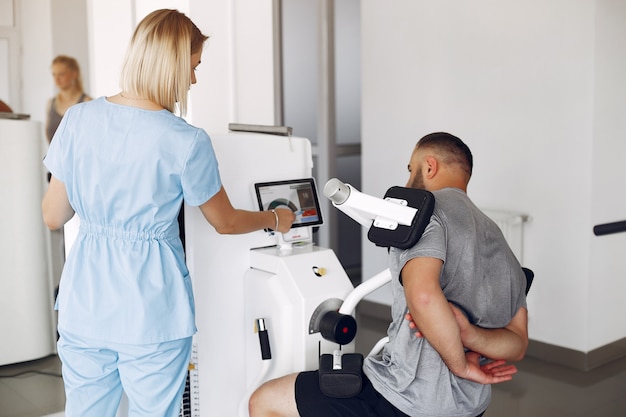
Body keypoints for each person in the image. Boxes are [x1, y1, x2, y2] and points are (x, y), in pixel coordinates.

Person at [41, 9, 295, 417]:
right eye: (193, 67)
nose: (193, 80)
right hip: (152, 309)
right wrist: (274, 219)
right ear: (174, 65)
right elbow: (225, 221)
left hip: (84, 303)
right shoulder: (186, 140)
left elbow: (54, 216)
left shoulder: (78, 120)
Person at [249, 132, 528, 417]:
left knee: (265, 401)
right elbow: (517, 343)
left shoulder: (424, 214)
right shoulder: (498, 238)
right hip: (471, 406)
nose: (408, 181)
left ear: (429, 166)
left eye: (411, 170)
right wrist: (468, 334)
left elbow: (423, 296)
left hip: (406, 398)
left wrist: (461, 365)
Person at [45, 55, 92, 143]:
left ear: (74, 74)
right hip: (54, 156)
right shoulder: (50, 103)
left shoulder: (88, 102)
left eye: (61, 74)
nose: (57, 79)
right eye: (54, 74)